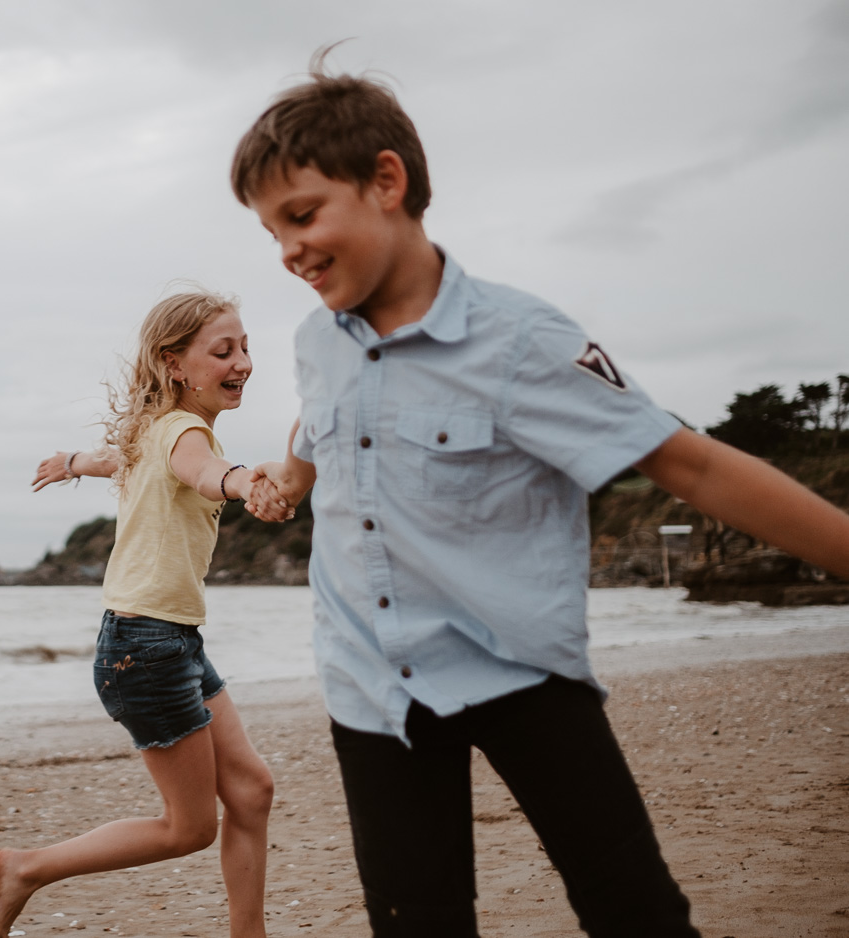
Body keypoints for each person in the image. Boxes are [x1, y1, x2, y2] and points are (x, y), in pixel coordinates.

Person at [231, 50, 849, 938]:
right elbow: (320, 422)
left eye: (301, 216)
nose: (288, 252)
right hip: (371, 687)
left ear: (387, 182)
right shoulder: (314, 340)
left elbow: (690, 465)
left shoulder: (521, 341)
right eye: (270, 233)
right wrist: (291, 474)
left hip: (519, 669)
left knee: (633, 912)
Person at [0, 290, 278, 938]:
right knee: (190, 828)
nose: (244, 362)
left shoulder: (153, 427)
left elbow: (115, 458)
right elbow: (206, 473)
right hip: (146, 652)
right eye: (224, 351)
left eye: (246, 347)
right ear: (175, 364)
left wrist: (71, 464)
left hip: (166, 641)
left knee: (252, 790)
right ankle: (26, 868)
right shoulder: (188, 434)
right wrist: (243, 482)